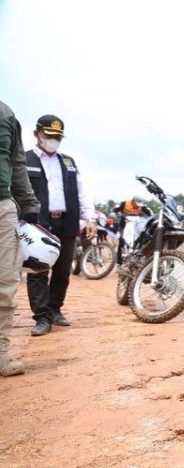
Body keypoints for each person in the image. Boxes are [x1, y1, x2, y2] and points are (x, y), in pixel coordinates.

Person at [25, 115, 96, 336]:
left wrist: (90, 218)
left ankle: (55, 310)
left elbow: (81, 191)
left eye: (58, 137)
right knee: (38, 270)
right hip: (38, 223)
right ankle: (42, 317)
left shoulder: (68, 161)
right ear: (37, 133)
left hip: (67, 221)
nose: (54, 140)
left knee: (63, 270)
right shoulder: (24, 160)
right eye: (49, 135)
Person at [0, 101, 41, 375]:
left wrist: (29, 204)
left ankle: (1, 353)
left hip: (3, 206)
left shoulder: (6, 114)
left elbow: (16, 162)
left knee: (5, 283)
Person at [112, 197, 151, 264]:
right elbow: (114, 209)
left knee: (139, 238)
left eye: (139, 205)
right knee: (122, 239)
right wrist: (120, 215)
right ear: (133, 201)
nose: (138, 206)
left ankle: (135, 256)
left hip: (135, 222)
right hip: (124, 221)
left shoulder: (142, 205)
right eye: (137, 204)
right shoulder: (124, 203)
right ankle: (119, 261)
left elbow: (150, 212)